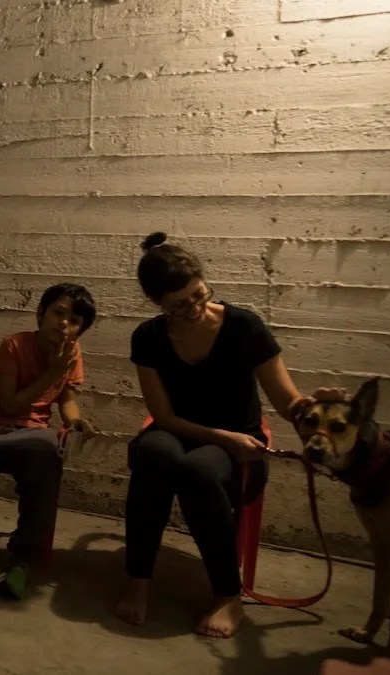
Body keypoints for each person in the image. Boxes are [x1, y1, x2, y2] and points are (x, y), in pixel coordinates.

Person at [113, 232, 334, 638]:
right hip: (180, 431)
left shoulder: (244, 326)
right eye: (179, 305)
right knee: (154, 455)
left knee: (198, 470)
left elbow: (287, 401)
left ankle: (228, 595)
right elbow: (162, 415)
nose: (195, 308)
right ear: (158, 304)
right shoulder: (147, 337)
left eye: (200, 294)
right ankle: (138, 578)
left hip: (240, 442)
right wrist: (218, 436)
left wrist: (315, 410)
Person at [0, 283, 98, 601]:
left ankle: (21, 558)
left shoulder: (72, 355)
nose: (64, 324)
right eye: (58, 313)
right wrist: (53, 372)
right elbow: (10, 404)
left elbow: (66, 398)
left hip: (33, 433)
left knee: (47, 453)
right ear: (41, 313)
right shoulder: (14, 345)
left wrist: (74, 420)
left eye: (75, 320)